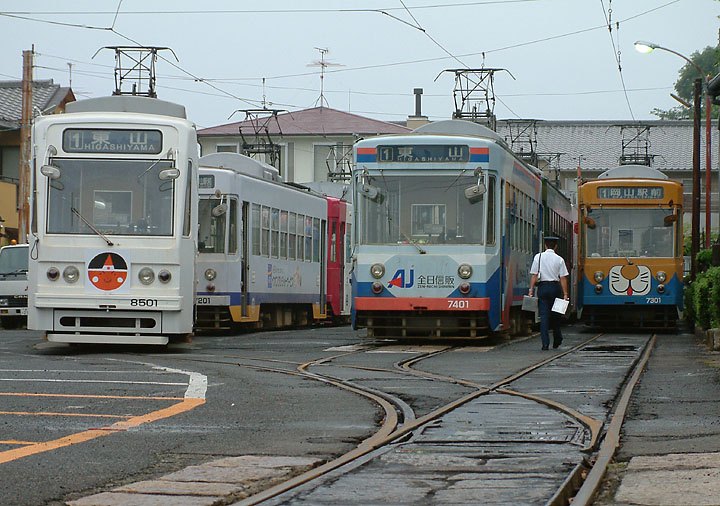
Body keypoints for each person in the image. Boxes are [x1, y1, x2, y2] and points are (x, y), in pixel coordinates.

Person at [528, 236, 570, 350]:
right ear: (555, 246)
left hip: (542, 288)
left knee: (544, 316)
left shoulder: (538, 257)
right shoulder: (559, 259)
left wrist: (531, 290)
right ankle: (557, 340)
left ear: (545, 245)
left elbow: (534, 275)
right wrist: (565, 294)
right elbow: (563, 278)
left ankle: (545, 343)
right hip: (555, 288)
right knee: (556, 316)